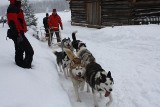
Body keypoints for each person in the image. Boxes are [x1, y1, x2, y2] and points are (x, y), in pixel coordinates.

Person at [7, 0, 34, 68]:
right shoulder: (13, 7)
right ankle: (26, 67)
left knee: (19, 50)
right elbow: (12, 22)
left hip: (19, 33)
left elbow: (19, 20)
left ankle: (19, 66)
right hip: (17, 33)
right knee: (29, 51)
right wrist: (18, 34)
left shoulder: (16, 7)